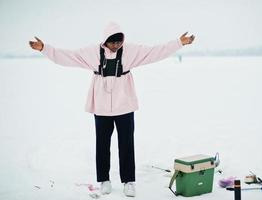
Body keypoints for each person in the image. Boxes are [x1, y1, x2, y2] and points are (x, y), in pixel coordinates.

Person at [29, 22, 195, 197]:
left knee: (126, 145)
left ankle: (129, 181)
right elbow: (68, 56)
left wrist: (178, 42)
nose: (116, 46)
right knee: (102, 145)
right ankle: (104, 180)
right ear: (105, 41)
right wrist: (44, 48)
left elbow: (155, 52)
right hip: (101, 108)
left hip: (124, 106)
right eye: (112, 42)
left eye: (118, 42)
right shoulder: (92, 53)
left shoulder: (130, 51)